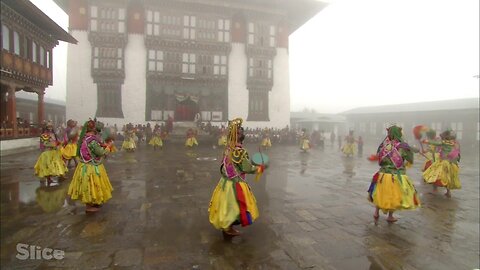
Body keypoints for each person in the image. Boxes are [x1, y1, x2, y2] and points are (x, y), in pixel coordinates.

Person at [208, 118, 265, 237]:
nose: (242, 132)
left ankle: (228, 228)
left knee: (227, 207)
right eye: (240, 131)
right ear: (236, 135)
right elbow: (247, 168)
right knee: (235, 207)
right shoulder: (239, 151)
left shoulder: (229, 148)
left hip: (225, 182)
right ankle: (228, 229)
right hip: (234, 184)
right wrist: (259, 168)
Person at [367, 125, 420, 223]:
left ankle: (376, 212)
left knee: (380, 194)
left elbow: (379, 158)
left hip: (382, 175)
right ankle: (390, 216)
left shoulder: (384, 146)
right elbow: (410, 159)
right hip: (395, 176)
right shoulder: (402, 147)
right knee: (392, 196)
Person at [68, 119, 113, 213]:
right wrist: (108, 147)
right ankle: (89, 206)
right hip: (91, 167)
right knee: (91, 184)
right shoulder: (92, 140)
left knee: (89, 185)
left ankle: (92, 202)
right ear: (94, 130)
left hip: (84, 165)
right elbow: (100, 152)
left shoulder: (84, 138)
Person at [422, 129, 461, 198]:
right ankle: (448, 192)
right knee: (448, 177)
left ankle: (435, 189)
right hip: (451, 163)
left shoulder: (444, 143)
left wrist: (427, 141)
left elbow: (436, 143)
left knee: (435, 174)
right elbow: (457, 153)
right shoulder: (454, 143)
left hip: (443, 162)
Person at [34, 121, 68, 186]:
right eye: (49, 127)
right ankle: (48, 178)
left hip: (54, 152)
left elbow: (57, 141)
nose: (50, 128)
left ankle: (60, 176)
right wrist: (55, 144)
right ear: (46, 127)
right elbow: (45, 144)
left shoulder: (53, 134)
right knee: (48, 166)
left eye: (51, 126)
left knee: (57, 164)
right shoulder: (44, 135)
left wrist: (60, 143)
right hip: (47, 152)